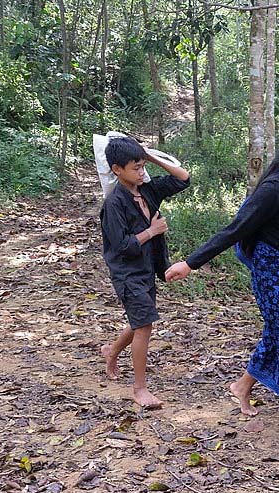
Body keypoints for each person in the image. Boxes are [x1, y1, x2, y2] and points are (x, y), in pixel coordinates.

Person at [165, 130, 279, 447]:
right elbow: (234, 230)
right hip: (273, 271)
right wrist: (190, 263)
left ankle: (242, 386)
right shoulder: (273, 191)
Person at [99, 136, 190, 409]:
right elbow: (123, 245)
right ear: (117, 169)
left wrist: (150, 157)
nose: (141, 172)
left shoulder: (147, 191)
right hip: (127, 271)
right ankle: (139, 388)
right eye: (135, 167)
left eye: (142, 167)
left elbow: (183, 179)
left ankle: (112, 350)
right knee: (144, 325)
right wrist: (152, 231)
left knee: (142, 318)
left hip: (148, 267)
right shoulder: (114, 203)